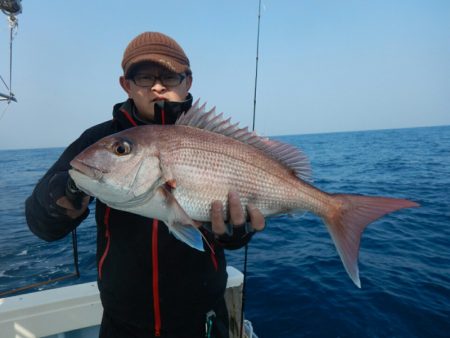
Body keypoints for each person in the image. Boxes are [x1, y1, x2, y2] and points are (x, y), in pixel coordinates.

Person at [25, 31, 265, 338]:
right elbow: (39, 224)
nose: (157, 85)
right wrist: (66, 194)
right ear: (126, 84)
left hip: (201, 321)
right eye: (143, 77)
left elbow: (228, 235)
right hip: (122, 324)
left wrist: (235, 231)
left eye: (170, 76)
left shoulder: (218, 142)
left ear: (187, 82)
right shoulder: (98, 142)